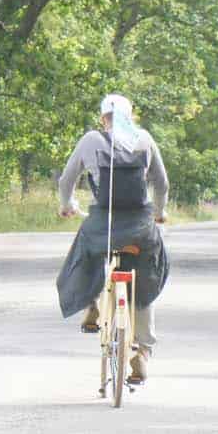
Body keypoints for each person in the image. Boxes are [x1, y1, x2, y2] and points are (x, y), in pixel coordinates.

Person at [55, 94, 169, 384]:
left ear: (103, 117)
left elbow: (66, 180)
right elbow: (162, 182)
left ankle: (90, 301)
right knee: (146, 276)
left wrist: (66, 205)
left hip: (102, 224)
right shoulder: (144, 139)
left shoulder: (91, 140)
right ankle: (142, 351)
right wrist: (159, 212)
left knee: (84, 251)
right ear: (130, 117)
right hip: (140, 227)